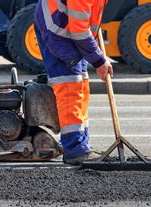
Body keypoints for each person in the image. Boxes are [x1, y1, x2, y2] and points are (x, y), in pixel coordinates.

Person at [34, 0, 113, 165]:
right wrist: (99, 61)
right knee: (71, 88)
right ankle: (75, 149)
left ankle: (82, 144)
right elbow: (80, 31)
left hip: (68, 30)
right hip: (58, 32)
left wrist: (97, 54)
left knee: (82, 85)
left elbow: (85, 21)